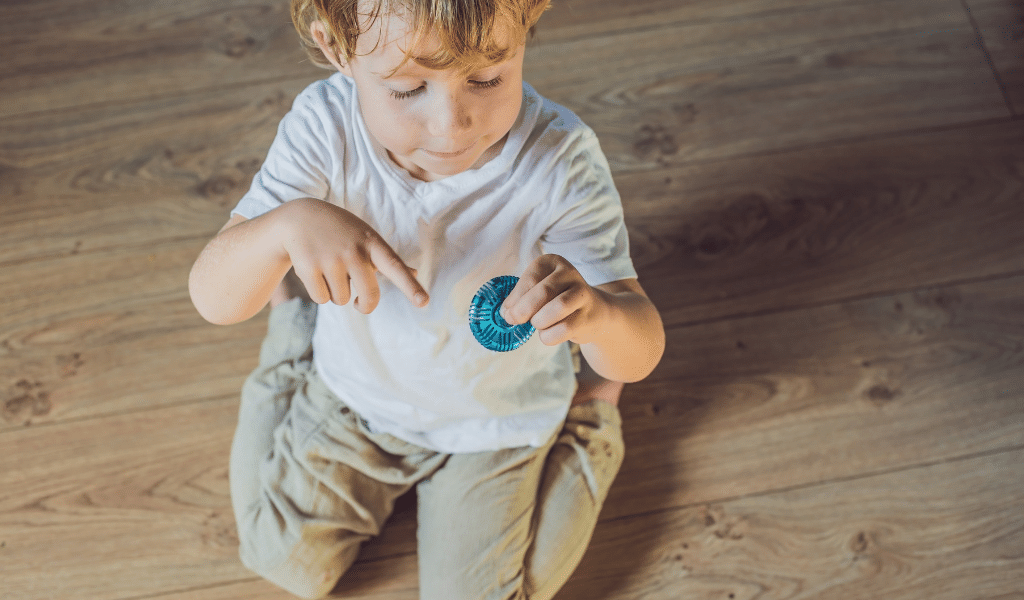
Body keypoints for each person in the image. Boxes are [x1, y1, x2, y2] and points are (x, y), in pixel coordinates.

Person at [188, 0, 665, 597]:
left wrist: (599, 319)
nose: (451, 124)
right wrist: (284, 227)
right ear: (339, 50)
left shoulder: (560, 161)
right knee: (280, 560)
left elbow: (641, 349)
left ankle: (593, 410)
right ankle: (294, 326)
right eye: (408, 88)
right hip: (357, 399)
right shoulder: (324, 126)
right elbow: (213, 298)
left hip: (500, 420)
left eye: (488, 78)